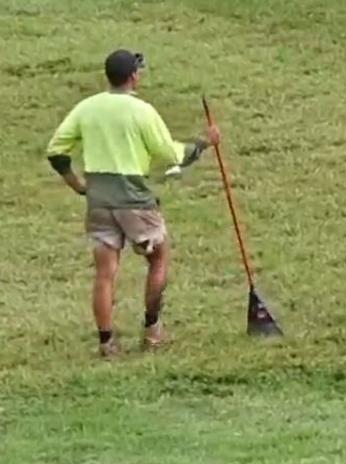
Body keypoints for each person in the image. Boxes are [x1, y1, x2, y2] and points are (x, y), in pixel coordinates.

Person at [46, 50, 220, 357]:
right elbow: (173, 155)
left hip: (99, 201)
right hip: (134, 200)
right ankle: (152, 331)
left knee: (105, 272)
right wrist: (205, 142)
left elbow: (56, 151)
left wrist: (77, 185)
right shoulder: (142, 111)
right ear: (134, 76)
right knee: (159, 258)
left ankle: (106, 343)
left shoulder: (87, 107)